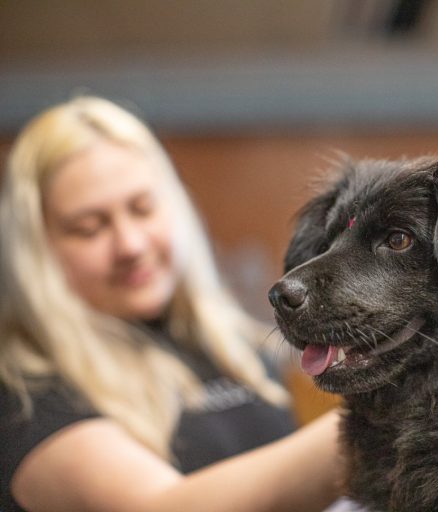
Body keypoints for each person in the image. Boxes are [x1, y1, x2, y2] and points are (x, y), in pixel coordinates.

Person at [0, 96, 342, 512]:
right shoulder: (24, 393)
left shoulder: (235, 348)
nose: (130, 244)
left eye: (143, 208)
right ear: (39, 251)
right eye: (89, 228)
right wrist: (374, 430)